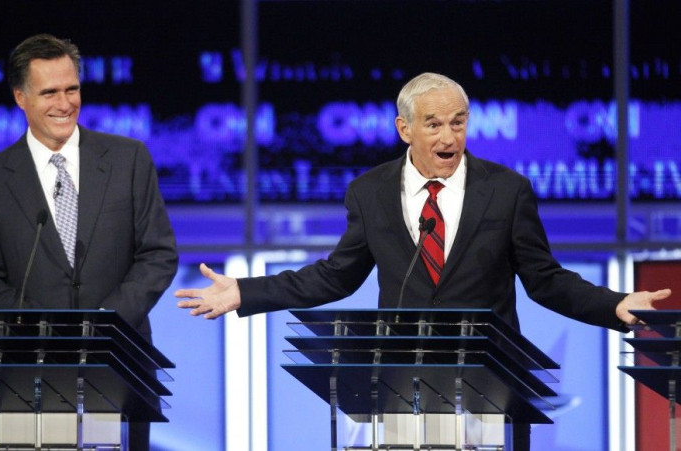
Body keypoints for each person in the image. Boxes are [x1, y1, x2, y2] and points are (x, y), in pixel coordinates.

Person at [175, 72, 672, 450]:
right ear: (404, 129)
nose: (448, 138)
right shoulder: (370, 193)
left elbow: (544, 280)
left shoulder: (505, 191)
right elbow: (336, 277)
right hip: (399, 386)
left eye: (457, 123)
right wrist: (245, 291)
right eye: (433, 124)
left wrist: (614, 304)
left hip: (488, 385)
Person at [0, 34, 178, 451]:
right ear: (21, 97)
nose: (65, 103)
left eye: (72, 89)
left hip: (119, 366)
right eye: (49, 93)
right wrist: (51, 334)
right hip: (29, 377)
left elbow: (158, 254)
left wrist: (104, 323)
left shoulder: (128, 160)